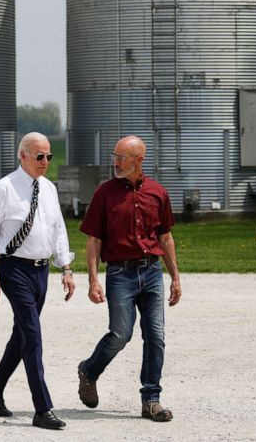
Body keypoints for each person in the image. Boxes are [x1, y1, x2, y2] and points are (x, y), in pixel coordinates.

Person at [77, 135, 182, 423]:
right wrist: (93, 280)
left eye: (122, 157)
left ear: (139, 160)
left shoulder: (158, 193)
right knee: (121, 334)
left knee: (156, 337)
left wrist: (175, 277)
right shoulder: (104, 193)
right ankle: (89, 371)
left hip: (151, 273)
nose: (116, 162)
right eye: (115, 156)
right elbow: (94, 240)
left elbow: (166, 237)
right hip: (120, 274)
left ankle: (151, 400)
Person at [0, 132, 75, 430]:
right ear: (23, 156)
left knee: (21, 336)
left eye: (48, 156)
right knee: (32, 335)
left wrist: (65, 268)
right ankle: (42, 408)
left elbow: (57, 229)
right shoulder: (4, 189)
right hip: (14, 269)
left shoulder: (48, 189)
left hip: (41, 270)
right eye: (39, 156)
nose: (45, 161)